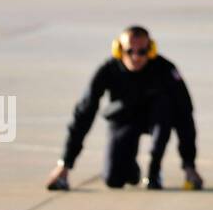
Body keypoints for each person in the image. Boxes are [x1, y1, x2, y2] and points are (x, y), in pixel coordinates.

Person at [45, 26, 203, 191]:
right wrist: (64, 164)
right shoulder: (108, 70)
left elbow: (185, 115)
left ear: (151, 49)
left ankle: (155, 169)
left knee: (166, 106)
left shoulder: (165, 69)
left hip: (157, 121)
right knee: (113, 179)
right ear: (119, 49)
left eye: (142, 51)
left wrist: (189, 166)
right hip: (125, 119)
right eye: (129, 51)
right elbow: (84, 113)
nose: (136, 57)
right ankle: (131, 169)